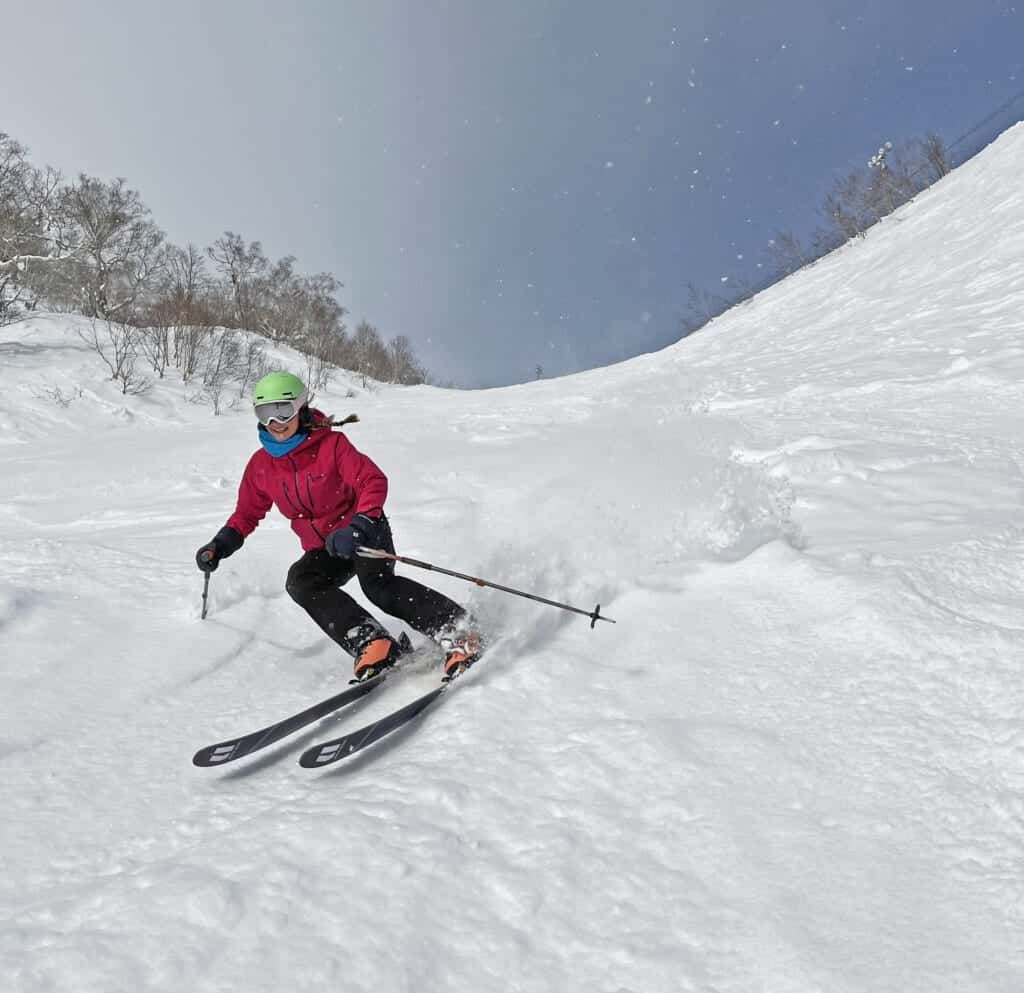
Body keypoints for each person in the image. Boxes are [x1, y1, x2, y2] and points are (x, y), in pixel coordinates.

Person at [195, 371, 481, 681]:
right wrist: (218, 545)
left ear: (301, 407)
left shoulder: (331, 445)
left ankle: (458, 630)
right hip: (326, 547)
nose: (275, 423)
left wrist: (360, 524)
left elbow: (372, 480)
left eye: (283, 411)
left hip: (362, 529)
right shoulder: (261, 466)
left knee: (379, 588)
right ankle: (371, 640)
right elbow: (246, 514)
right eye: (265, 414)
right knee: (301, 581)